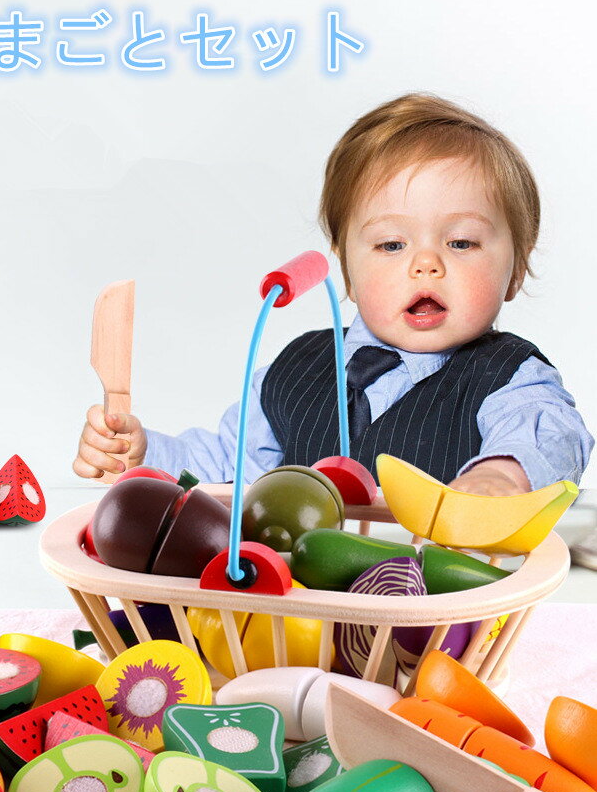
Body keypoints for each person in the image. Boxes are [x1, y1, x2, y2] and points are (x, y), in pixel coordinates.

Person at [74, 93, 593, 496]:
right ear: (345, 271)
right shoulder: (298, 366)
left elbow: (550, 436)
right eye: (391, 244)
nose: (425, 263)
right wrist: (142, 456)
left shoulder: (511, 379)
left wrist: (503, 477)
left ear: (517, 268)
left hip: (433, 613)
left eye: (461, 242)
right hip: (298, 611)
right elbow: (228, 466)